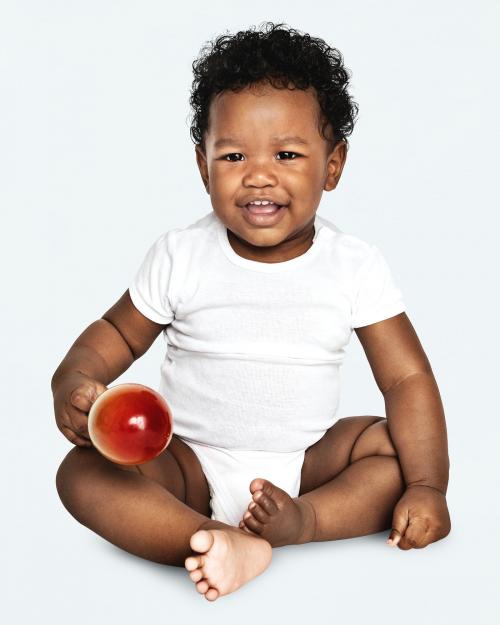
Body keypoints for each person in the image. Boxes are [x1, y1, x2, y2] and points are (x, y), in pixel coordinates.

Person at [52, 22, 451, 602]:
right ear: (202, 165)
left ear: (333, 164)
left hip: (308, 465)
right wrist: (75, 380)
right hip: (185, 464)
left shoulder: (354, 265)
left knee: (388, 448)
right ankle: (212, 537)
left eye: (287, 154)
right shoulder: (181, 255)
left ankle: (302, 524)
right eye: (234, 154)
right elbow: (114, 333)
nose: (259, 174)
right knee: (81, 474)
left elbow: (406, 377)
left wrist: (427, 485)